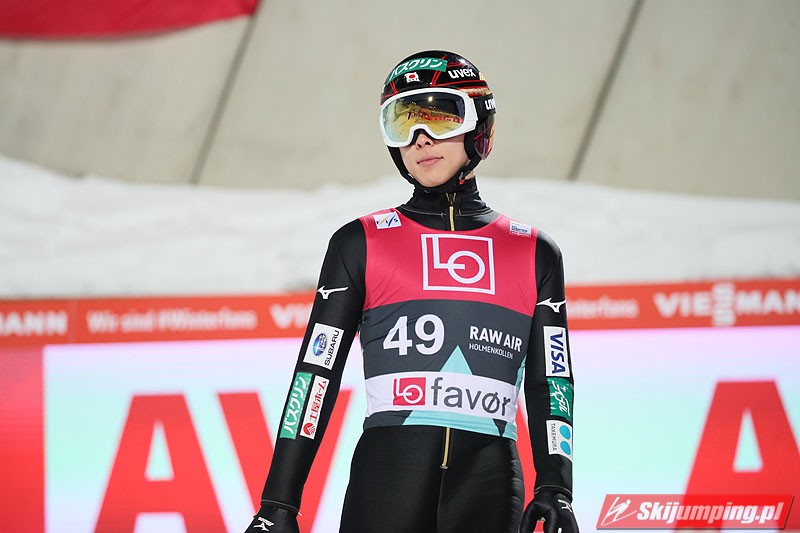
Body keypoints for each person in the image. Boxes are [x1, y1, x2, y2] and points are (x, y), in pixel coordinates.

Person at [245, 50, 578, 533]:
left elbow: (553, 379)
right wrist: (278, 503)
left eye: (440, 117)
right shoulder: (360, 241)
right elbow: (315, 376)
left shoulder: (534, 251)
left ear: (479, 125)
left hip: (488, 486)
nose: (420, 138)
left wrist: (556, 487)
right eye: (402, 122)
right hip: (387, 483)